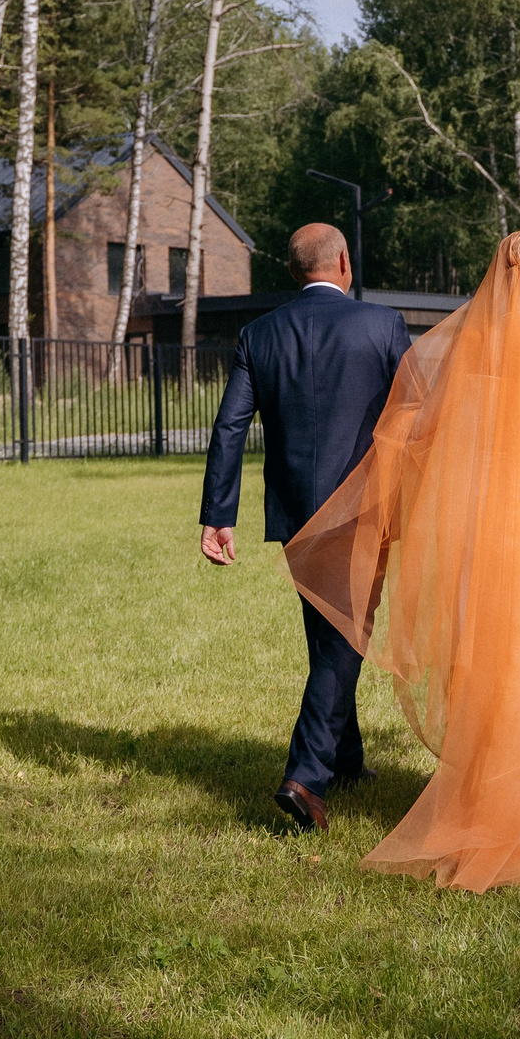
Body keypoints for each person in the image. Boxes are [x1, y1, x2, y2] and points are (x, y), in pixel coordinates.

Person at [285, 230, 520, 891]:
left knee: (490, 648)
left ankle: (485, 787)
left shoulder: (469, 347)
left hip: (487, 510)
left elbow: (428, 429)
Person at [200, 222, 413, 833]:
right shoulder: (383, 325)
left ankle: (345, 759)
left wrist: (219, 514)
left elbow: (229, 428)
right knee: (345, 638)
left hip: (295, 512)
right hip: (362, 509)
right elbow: (418, 409)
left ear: (295, 272)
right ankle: (306, 778)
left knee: (328, 636)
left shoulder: (259, 333)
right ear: (344, 261)